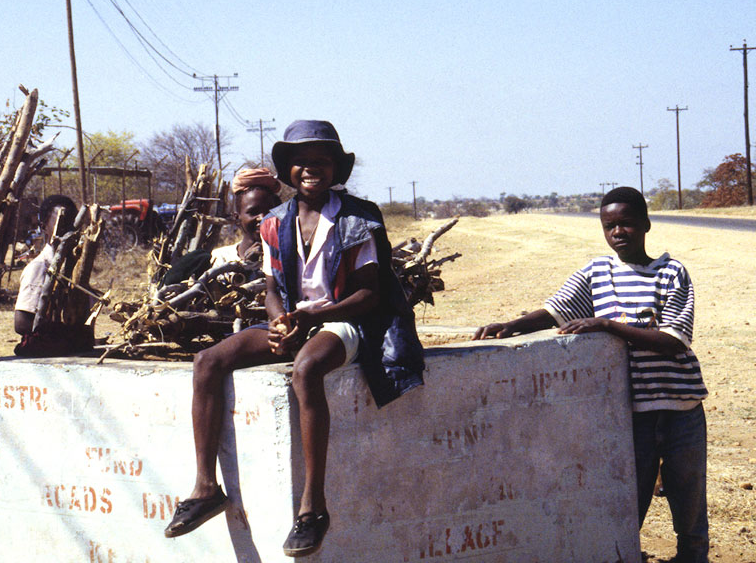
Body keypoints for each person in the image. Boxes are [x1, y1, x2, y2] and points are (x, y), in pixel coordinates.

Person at [163, 120, 425, 557]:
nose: (310, 169)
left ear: (336, 169)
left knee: (306, 370)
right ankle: (206, 487)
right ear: (288, 171)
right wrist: (280, 320)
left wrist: (312, 317)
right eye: (300, 162)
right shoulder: (274, 222)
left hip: (344, 322)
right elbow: (270, 288)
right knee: (207, 361)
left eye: (321, 162)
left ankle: (312, 508)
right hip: (296, 321)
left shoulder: (358, 217)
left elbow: (369, 293)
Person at [473, 186, 709, 563]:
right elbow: (556, 311)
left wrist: (607, 325)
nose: (618, 232)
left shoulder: (671, 271)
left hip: (680, 407)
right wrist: (511, 325)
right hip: (632, 412)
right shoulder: (597, 272)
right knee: (628, 498)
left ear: (646, 224)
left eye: (627, 224)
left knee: (690, 496)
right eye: (610, 225)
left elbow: (673, 340)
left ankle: (693, 557)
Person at [161, 167, 282, 286]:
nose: (263, 217)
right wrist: (246, 265)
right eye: (253, 212)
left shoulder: (285, 258)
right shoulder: (217, 259)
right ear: (236, 218)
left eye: (270, 211)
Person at [13, 194, 93, 356]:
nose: (69, 230)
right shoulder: (39, 268)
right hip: (48, 355)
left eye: (72, 223)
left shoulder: (76, 267)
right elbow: (21, 324)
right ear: (43, 227)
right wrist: (66, 334)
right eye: (62, 223)